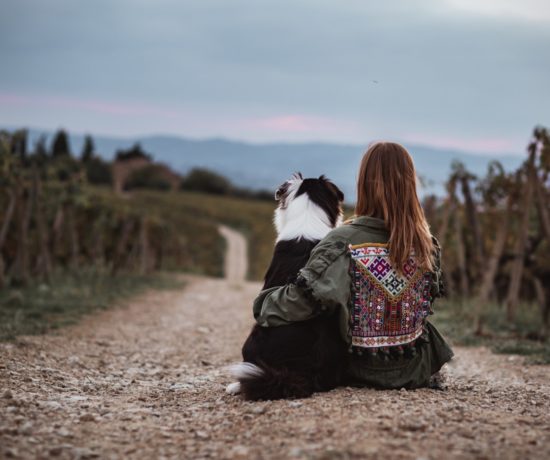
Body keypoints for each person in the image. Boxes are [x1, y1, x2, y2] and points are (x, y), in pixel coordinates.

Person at [252, 141, 454, 390]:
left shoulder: (341, 242)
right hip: (417, 365)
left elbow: (302, 302)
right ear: (411, 184)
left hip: (362, 368)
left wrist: (264, 303)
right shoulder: (427, 245)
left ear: (364, 183)